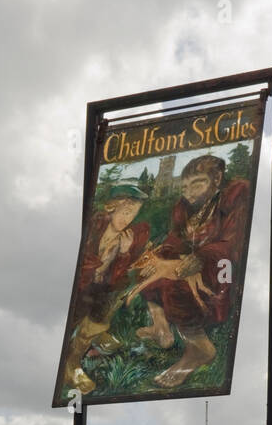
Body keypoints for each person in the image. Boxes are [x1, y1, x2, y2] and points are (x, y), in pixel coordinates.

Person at [127, 154, 250, 390]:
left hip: (218, 273)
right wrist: (161, 256)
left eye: (197, 183)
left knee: (176, 286)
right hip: (189, 265)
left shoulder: (232, 199)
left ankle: (200, 349)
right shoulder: (184, 209)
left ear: (216, 180)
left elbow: (232, 243)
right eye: (185, 187)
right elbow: (175, 241)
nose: (189, 192)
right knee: (147, 270)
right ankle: (162, 329)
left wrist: (202, 257)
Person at [63, 183, 150, 395]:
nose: (128, 219)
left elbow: (117, 278)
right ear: (113, 207)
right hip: (78, 288)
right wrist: (100, 264)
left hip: (99, 290)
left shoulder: (125, 237)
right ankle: (70, 363)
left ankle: (81, 350)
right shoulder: (94, 226)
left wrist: (123, 253)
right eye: (125, 212)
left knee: (111, 297)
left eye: (133, 214)